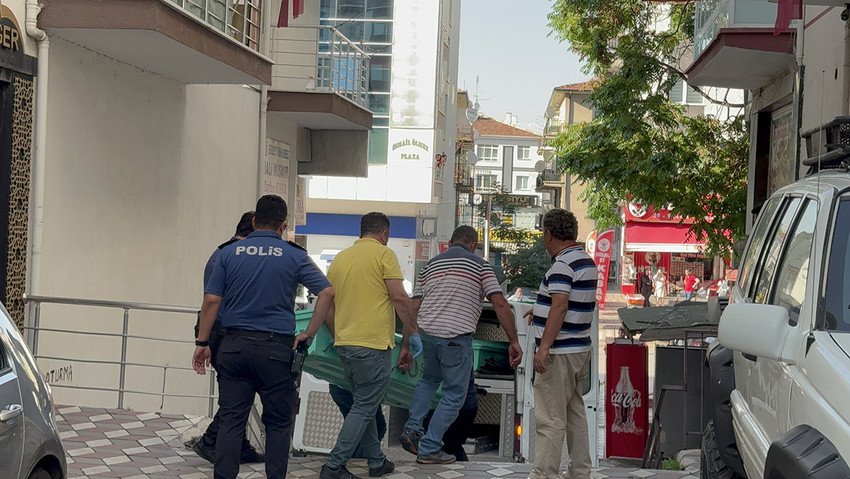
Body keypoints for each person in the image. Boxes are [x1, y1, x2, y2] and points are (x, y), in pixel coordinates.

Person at [192, 195, 335, 479]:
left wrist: (202, 343)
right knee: (278, 423)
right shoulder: (294, 255)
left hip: (234, 348)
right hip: (276, 351)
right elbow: (327, 292)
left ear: (254, 221)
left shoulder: (228, 253)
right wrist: (308, 333)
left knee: (232, 421)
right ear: (283, 225)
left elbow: (210, 301)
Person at [398, 225, 522, 465]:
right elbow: (499, 303)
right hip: (455, 338)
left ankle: (413, 428)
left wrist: (407, 344)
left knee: (428, 381)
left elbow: (412, 308)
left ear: (450, 242)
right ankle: (430, 447)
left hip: (427, 335)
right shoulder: (480, 265)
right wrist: (513, 340)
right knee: (455, 394)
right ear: (473, 245)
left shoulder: (431, 265)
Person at [320, 212, 422, 479]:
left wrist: (337, 333)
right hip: (373, 346)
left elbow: (327, 302)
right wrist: (413, 331)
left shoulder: (340, 259)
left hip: (345, 345)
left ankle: (376, 461)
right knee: (365, 406)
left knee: (362, 403)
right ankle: (334, 465)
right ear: (384, 234)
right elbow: (399, 297)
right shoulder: (383, 255)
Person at [524, 209, 598, 479]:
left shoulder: (562, 265)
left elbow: (561, 306)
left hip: (559, 351)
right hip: (580, 349)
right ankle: (580, 471)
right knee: (575, 413)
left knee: (550, 418)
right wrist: (539, 311)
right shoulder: (586, 261)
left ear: (549, 234)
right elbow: (573, 303)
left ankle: (543, 473)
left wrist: (543, 348)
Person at [192, 211, 264, 464]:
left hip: (219, 331)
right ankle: (211, 441)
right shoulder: (230, 256)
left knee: (237, 392)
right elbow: (214, 300)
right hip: (223, 332)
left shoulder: (223, 254)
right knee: (237, 395)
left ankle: (237, 443)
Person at [327, 384, 387, 460]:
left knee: (359, 428)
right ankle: (339, 461)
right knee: (374, 427)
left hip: (337, 387)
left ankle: (345, 460)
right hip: (357, 389)